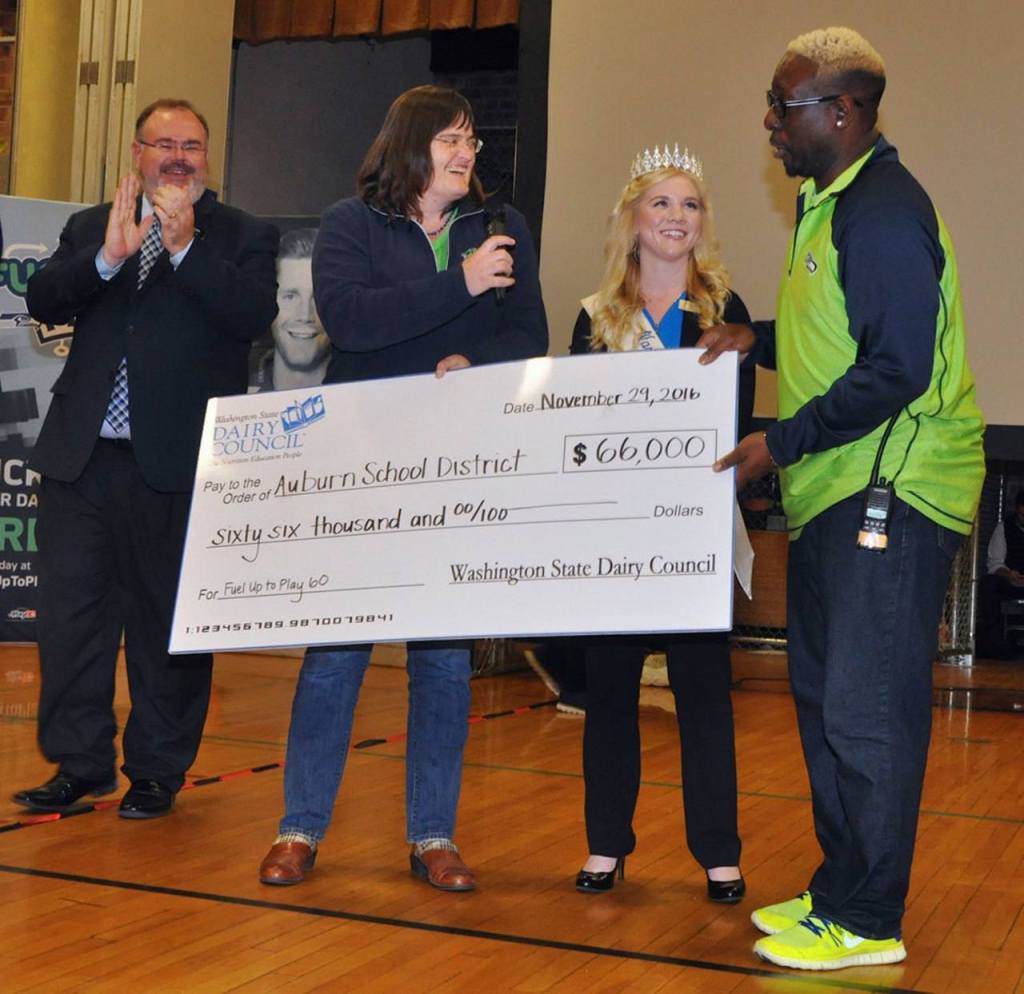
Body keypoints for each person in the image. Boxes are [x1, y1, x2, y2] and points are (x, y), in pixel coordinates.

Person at [699, 27, 985, 969]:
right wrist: (758, 341)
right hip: (839, 486)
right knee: (827, 700)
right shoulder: (827, 207)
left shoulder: (885, 211)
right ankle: (839, 891)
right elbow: (841, 334)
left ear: (842, 111)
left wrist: (774, 443)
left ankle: (870, 917)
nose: (770, 125)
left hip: (895, 486)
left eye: (784, 108)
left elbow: (897, 368)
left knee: (866, 707)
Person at [257, 85, 547, 891]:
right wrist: (460, 286)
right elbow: (352, 322)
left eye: (473, 143)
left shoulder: (502, 229)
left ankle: (433, 837)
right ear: (411, 144)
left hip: (458, 467)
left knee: (445, 660)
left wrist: (473, 363)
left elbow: (530, 335)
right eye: (451, 139)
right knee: (336, 654)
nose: (467, 153)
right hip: (363, 465)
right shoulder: (353, 224)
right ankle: (298, 829)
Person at [14, 99, 278, 819]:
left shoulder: (243, 235)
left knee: (170, 625)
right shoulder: (91, 225)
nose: (179, 157)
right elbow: (43, 298)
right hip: (82, 458)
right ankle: (79, 765)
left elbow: (253, 317)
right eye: (164, 144)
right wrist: (110, 256)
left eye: (192, 145)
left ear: (206, 157)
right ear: (137, 154)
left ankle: (158, 770)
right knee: (72, 621)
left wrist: (186, 249)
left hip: (179, 464)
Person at [569, 145, 754, 903]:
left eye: (690, 205)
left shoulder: (726, 313)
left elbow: (737, 423)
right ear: (634, 222)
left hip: (694, 527)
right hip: (616, 534)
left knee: (702, 691)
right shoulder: (593, 317)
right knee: (609, 691)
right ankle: (606, 845)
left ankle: (719, 854)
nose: (677, 218)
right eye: (662, 204)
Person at [251, 227, 330, 392]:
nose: (305, 314)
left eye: (318, 298)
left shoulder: (368, 401)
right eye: (290, 297)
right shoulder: (232, 397)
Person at [977, 489, 1024, 657]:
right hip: (1011, 580)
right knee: (988, 584)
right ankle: (996, 645)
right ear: (1018, 509)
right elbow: (995, 562)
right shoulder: (1004, 527)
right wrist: (1009, 574)